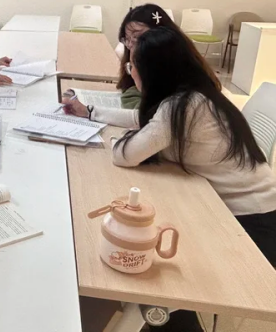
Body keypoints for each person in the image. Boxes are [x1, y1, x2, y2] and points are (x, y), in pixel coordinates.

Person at [64, 27, 276, 331]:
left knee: (157, 267)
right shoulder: (196, 95)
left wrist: (115, 139)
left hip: (251, 228)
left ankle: (165, 316)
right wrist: (90, 112)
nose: (131, 72)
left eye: (132, 66)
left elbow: (126, 154)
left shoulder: (182, 106)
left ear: (152, 71)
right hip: (247, 209)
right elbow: (144, 120)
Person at [115, 4, 221, 109]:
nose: (131, 45)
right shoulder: (133, 60)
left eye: (137, 37)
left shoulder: (182, 73)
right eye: (127, 39)